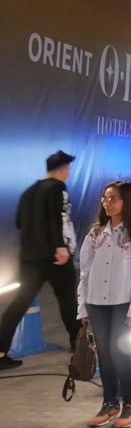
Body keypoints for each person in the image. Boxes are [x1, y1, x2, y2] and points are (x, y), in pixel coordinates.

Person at [78, 181, 131, 428]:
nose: (107, 202)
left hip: (123, 304)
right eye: (105, 198)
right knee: (105, 355)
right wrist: (83, 306)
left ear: (127, 201)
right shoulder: (96, 233)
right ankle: (110, 403)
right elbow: (85, 273)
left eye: (113, 198)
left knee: (121, 354)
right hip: (96, 303)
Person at [0, 150, 81, 371]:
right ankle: (79, 344)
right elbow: (58, 218)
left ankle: (0, 352)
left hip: (29, 257)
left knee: (19, 303)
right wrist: (60, 247)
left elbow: (18, 222)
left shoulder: (28, 192)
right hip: (55, 256)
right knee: (68, 300)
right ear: (63, 169)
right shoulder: (57, 188)